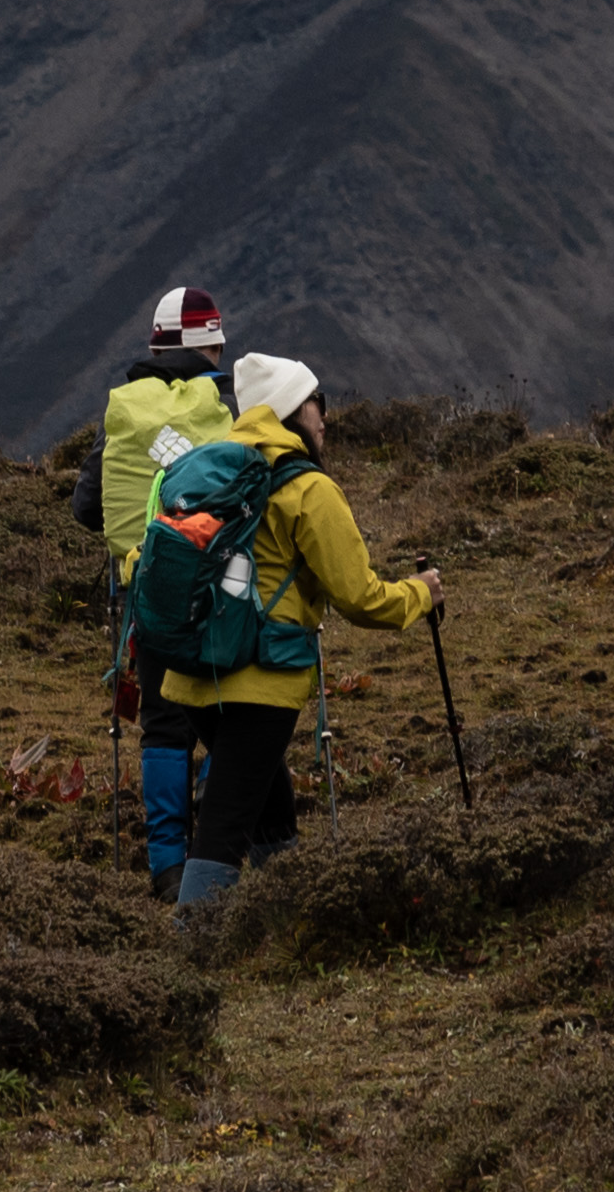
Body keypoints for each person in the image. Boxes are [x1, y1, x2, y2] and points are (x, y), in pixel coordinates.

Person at [135, 351, 440, 928]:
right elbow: (360, 597)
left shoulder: (208, 469)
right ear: (292, 412)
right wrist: (422, 594)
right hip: (264, 679)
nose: (324, 417)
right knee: (226, 819)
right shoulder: (308, 489)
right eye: (315, 403)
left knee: (264, 794)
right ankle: (190, 949)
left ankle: (289, 913)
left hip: (194, 677)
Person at [55, 284, 239, 891]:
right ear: (210, 347)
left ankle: (166, 865)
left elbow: (88, 505)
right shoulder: (220, 414)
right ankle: (220, 855)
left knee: (163, 725)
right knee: (220, 711)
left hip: (148, 588)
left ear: (156, 349)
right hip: (214, 588)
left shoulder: (127, 416)